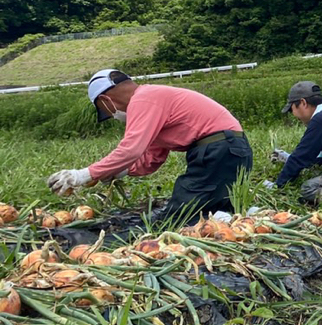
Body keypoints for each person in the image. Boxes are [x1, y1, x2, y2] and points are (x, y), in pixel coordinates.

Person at [45, 69, 253, 227]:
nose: (113, 116)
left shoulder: (143, 100)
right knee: (208, 208)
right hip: (228, 151)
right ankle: (238, 218)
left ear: (106, 101)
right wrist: (118, 170)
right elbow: (153, 158)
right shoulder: (152, 100)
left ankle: (237, 222)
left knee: (180, 214)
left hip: (218, 150)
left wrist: (82, 175)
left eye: (106, 112)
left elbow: (131, 150)